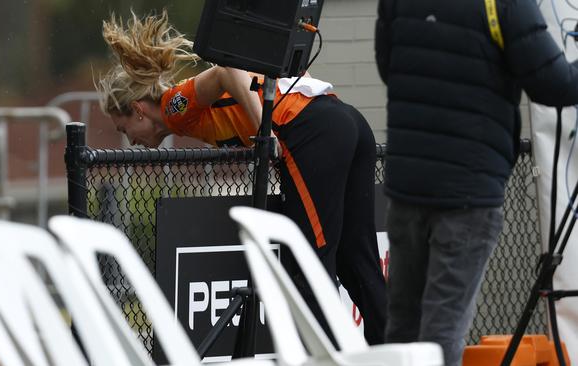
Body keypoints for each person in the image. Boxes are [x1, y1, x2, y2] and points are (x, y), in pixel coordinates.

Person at [96, 11, 387, 344]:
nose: (129, 139)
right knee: (356, 259)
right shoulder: (180, 116)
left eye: (124, 129)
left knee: (309, 265)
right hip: (345, 120)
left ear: (137, 110)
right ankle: (396, 350)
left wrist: (266, 129)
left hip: (311, 132)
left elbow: (225, 71)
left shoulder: (173, 107)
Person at [375, 0, 578, 364]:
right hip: (468, 189)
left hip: (408, 185)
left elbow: (389, 66)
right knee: (443, 326)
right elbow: (554, 83)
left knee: (404, 326)